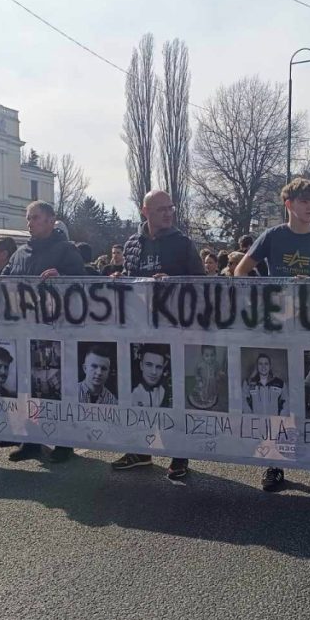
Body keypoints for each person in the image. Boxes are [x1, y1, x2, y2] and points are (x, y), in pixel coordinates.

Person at [235, 177, 310, 494]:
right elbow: (240, 272)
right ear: (289, 205)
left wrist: (309, 289)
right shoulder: (272, 236)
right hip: (277, 331)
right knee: (278, 400)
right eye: (304, 201)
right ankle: (274, 463)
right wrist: (267, 294)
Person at [115, 189, 204, 479]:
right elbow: (130, 281)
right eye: (161, 209)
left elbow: (202, 284)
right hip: (141, 332)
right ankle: (141, 451)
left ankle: (179, 454)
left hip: (174, 331)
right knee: (140, 393)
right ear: (145, 212)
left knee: (174, 395)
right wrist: (119, 280)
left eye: (170, 208)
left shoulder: (183, 244)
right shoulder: (132, 243)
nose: (168, 213)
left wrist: (174, 282)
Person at [0, 201, 85, 462]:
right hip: (23, 334)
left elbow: (84, 284)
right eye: (28, 218)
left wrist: (63, 276)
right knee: (27, 388)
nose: (29, 223)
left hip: (56, 335)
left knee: (57, 388)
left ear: (50, 220)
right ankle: (31, 441)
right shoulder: (20, 253)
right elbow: (1, 282)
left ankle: (65, 442)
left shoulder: (67, 251)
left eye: (35, 217)